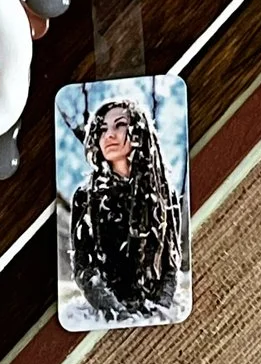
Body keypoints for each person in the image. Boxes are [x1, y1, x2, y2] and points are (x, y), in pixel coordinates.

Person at [67, 93, 185, 321]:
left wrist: (158, 310)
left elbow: (171, 262)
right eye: (102, 129)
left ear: (139, 132)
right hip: (103, 315)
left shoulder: (164, 194)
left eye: (119, 125)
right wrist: (117, 313)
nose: (109, 135)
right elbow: (84, 268)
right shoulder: (85, 197)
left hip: (157, 312)